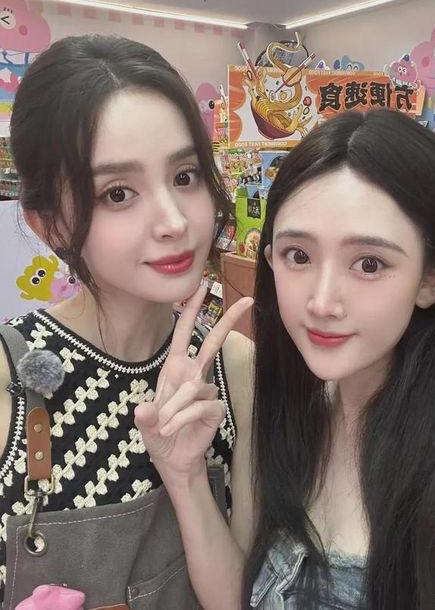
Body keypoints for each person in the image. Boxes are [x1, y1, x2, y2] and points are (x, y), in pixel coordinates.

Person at [136, 109, 435, 610]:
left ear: (432, 281)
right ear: (271, 262)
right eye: (299, 256)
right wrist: (184, 476)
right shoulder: (285, 417)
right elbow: (236, 599)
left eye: (369, 263)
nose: (322, 302)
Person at [0, 34, 252, 608]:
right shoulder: (10, 372)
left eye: (185, 176)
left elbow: (245, 597)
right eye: (118, 193)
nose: (174, 221)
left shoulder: (234, 367)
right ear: (50, 226)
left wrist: (187, 478)